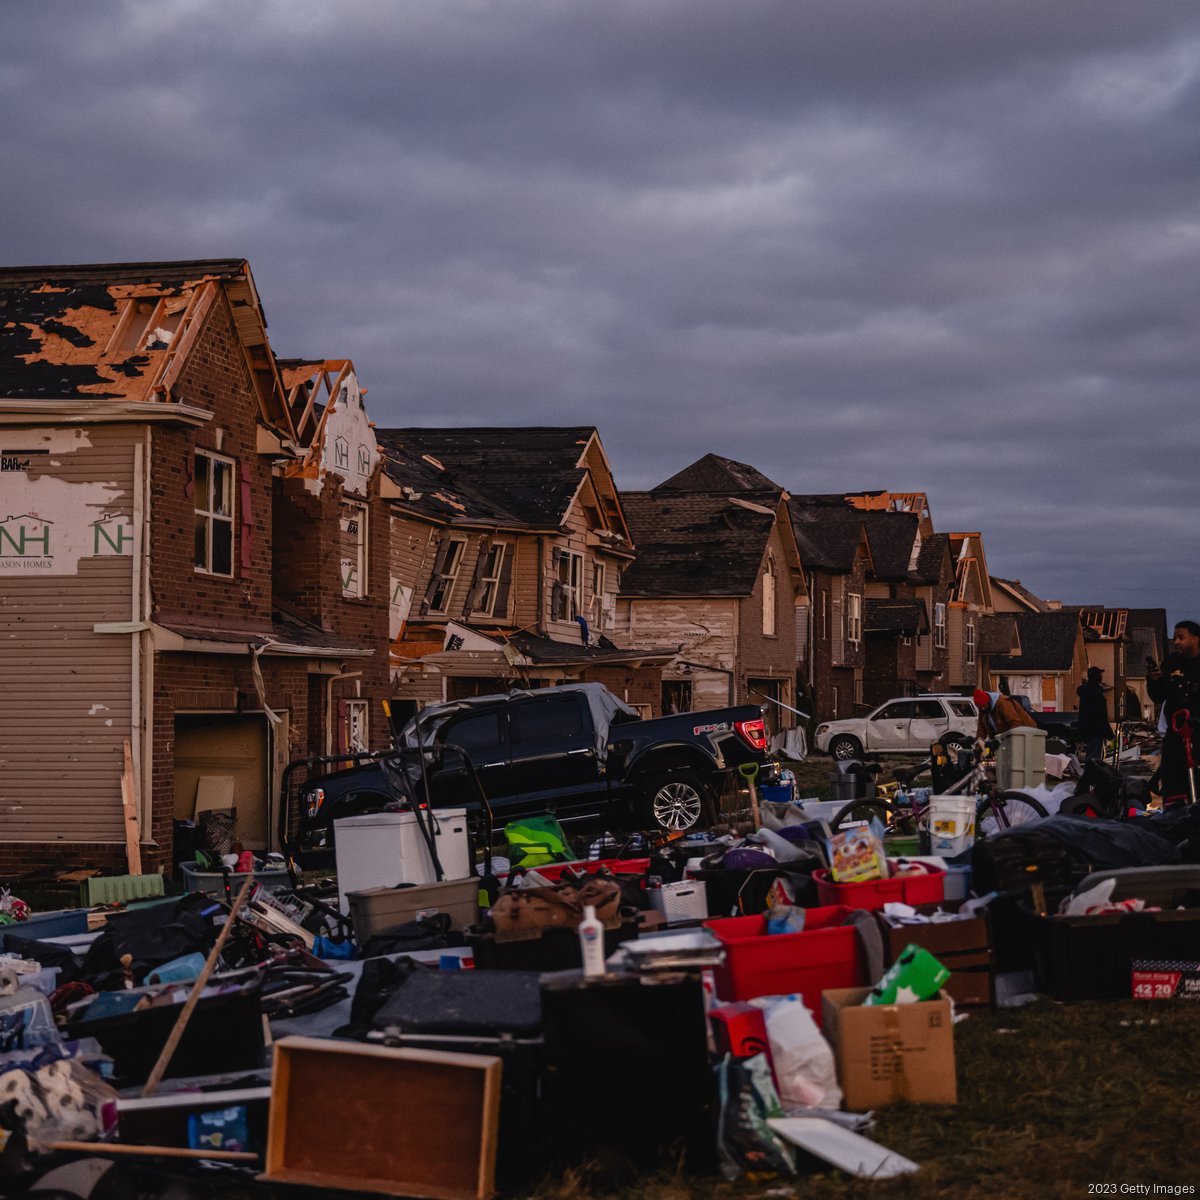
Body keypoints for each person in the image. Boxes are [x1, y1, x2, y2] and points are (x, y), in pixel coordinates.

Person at [1147, 620, 1200, 807]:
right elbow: (1158, 696)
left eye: (1181, 637)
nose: (1176, 642)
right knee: (1174, 782)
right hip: (1175, 735)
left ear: (1195, 639)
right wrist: (1153, 681)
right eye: (1174, 637)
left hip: (1197, 731)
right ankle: (1175, 818)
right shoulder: (1170, 663)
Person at [1076, 666, 1113, 762]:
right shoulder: (1094, 693)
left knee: (1094, 756)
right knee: (1093, 758)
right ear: (1095, 677)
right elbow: (1099, 715)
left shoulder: (1089, 692)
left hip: (1090, 730)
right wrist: (1108, 732)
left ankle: (1092, 774)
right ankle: (1090, 775)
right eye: (1099, 675)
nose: (1101, 677)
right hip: (1095, 730)